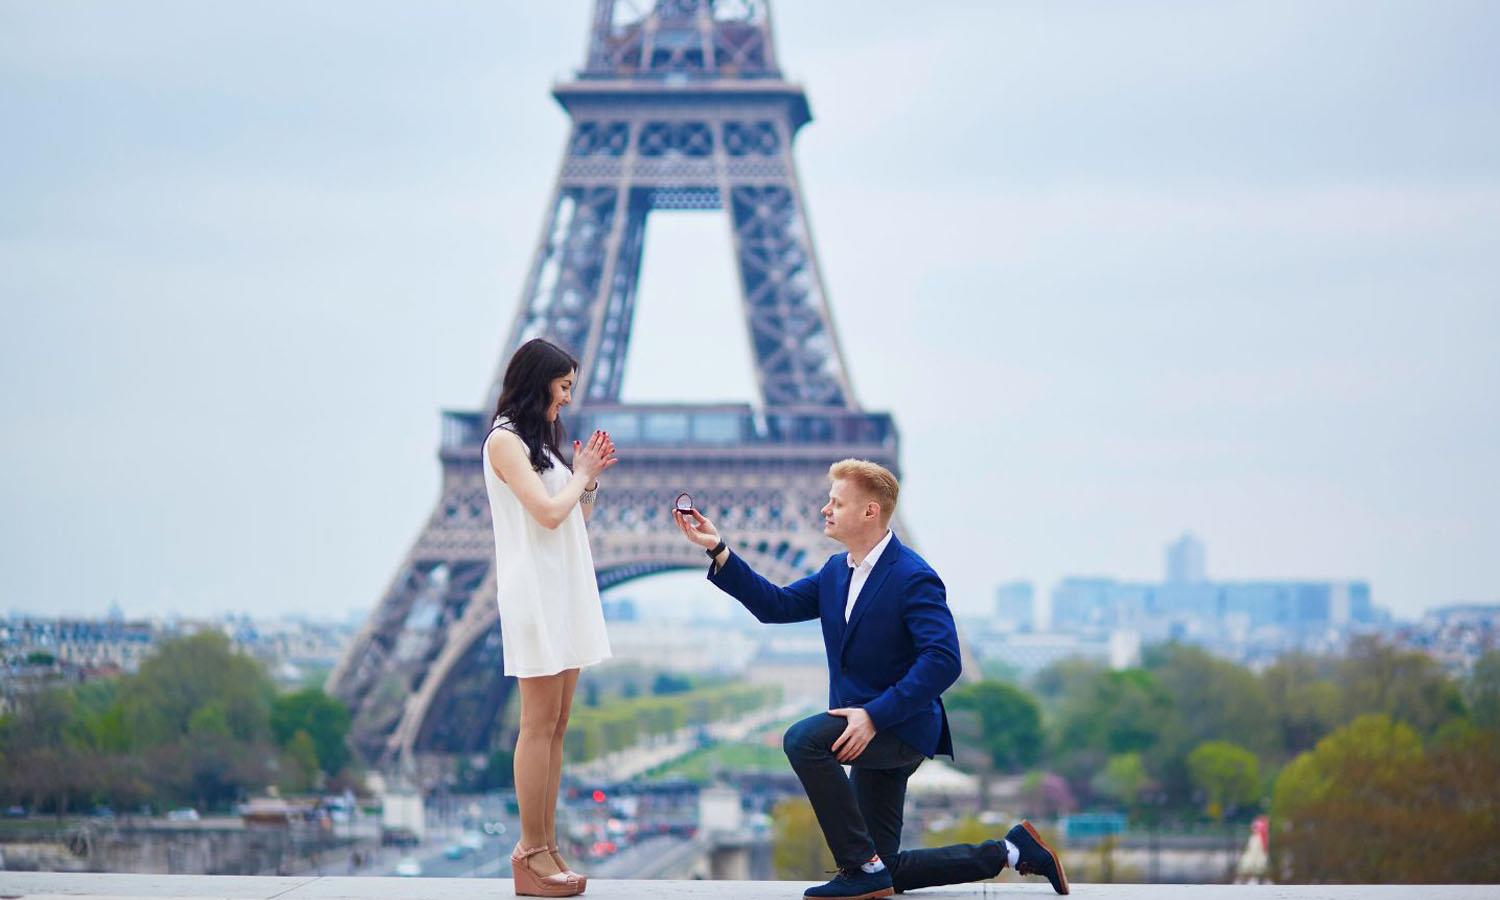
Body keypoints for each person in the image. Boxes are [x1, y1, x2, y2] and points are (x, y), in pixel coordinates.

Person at [674, 459, 1069, 899]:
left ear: (870, 512)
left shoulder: (912, 576)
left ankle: (859, 865)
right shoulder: (836, 572)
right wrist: (718, 550)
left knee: (803, 740)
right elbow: (776, 606)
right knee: (888, 870)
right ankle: (1011, 851)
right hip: (866, 729)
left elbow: (944, 659)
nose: (825, 509)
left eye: (836, 502)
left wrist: (873, 717)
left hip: (899, 727)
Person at [483, 337, 617, 897]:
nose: (567, 398)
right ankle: (529, 851)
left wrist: (589, 478)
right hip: (536, 593)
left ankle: (548, 844)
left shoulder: (543, 447)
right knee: (538, 725)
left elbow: (571, 522)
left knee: (557, 725)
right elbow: (543, 515)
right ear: (538, 381)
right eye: (563, 386)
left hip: (564, 589)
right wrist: (581, 473)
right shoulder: (505, 441)